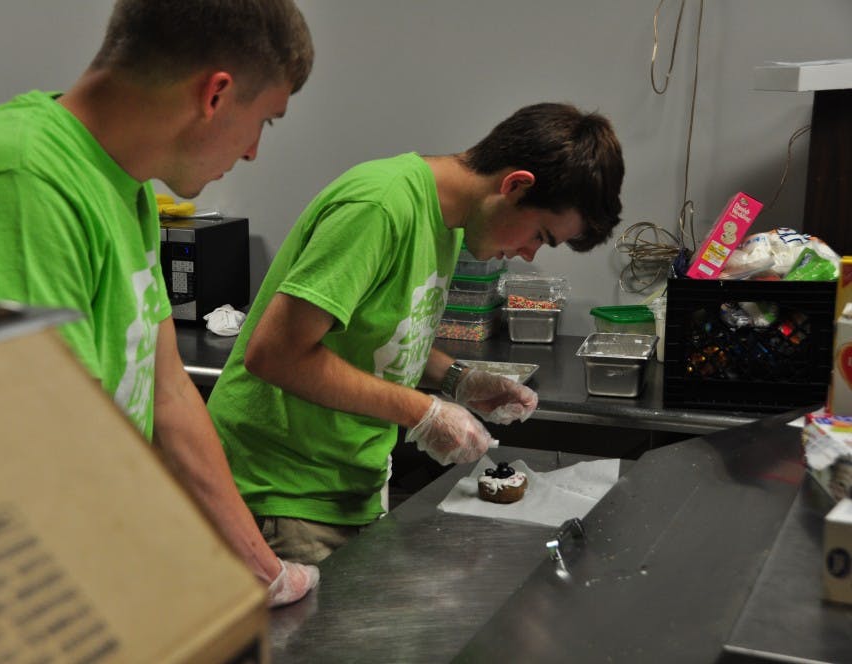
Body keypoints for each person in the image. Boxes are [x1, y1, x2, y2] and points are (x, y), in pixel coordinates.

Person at [0, 0, 318, 607]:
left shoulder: (126, 184)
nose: (252, 152)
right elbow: (46, 453)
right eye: (265, 122)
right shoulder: (21, 179)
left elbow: (168, 393)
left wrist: (259, 566)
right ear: (215, 95)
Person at [206, 102, 625, 565]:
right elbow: (274, 354)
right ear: (515, 185)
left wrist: (459, 380)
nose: (528, 254)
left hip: (345, 489)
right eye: (541, 235)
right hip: (280, 495)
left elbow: (374, 338)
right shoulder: (381, 206)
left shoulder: (449, 226)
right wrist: (422, 411)